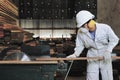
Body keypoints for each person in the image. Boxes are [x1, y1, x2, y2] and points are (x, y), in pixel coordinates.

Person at [67, 10, 119, 80]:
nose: (83, 27)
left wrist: (108, 51)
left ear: (91, 22)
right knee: (91, 77)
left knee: (107, 77)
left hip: (105, 55)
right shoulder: (81, 32)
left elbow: (115, 39)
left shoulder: (105, 28)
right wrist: (75, 54)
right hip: (92, 56)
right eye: (82, 26)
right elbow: (80, 45)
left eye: (84, 25)